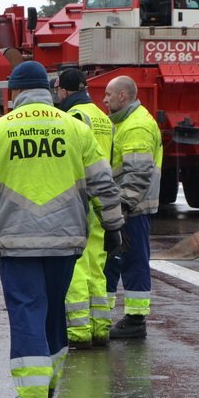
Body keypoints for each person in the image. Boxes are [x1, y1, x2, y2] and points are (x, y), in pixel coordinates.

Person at [0, 60, 123, 398]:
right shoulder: (76, 129)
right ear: (49, 92)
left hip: (16, 241)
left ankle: (32, 396)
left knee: (26, 309)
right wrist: (113, 226)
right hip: (65, 240)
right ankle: (47, 384)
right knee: (53, 310)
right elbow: (103, 184)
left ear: (15, 92)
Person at [52, 68, 116, 349]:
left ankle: (79, 331)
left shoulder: (73, 118)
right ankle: (100, 327)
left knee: (76, 265)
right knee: (96, 265)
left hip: (79, 200)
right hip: (101, 196)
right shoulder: (103, 117)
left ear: (64, 92)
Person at [102, 75, 163, 340]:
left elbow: (138, 173)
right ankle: (107, 317)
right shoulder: (127, 122)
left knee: (133, 261)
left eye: (108, 95)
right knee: (117, 261)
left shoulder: (136, 126)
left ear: (123, 96)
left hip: (132, 208)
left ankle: (136, 321)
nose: (104, 100)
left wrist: (123, 206)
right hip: (127, 205)